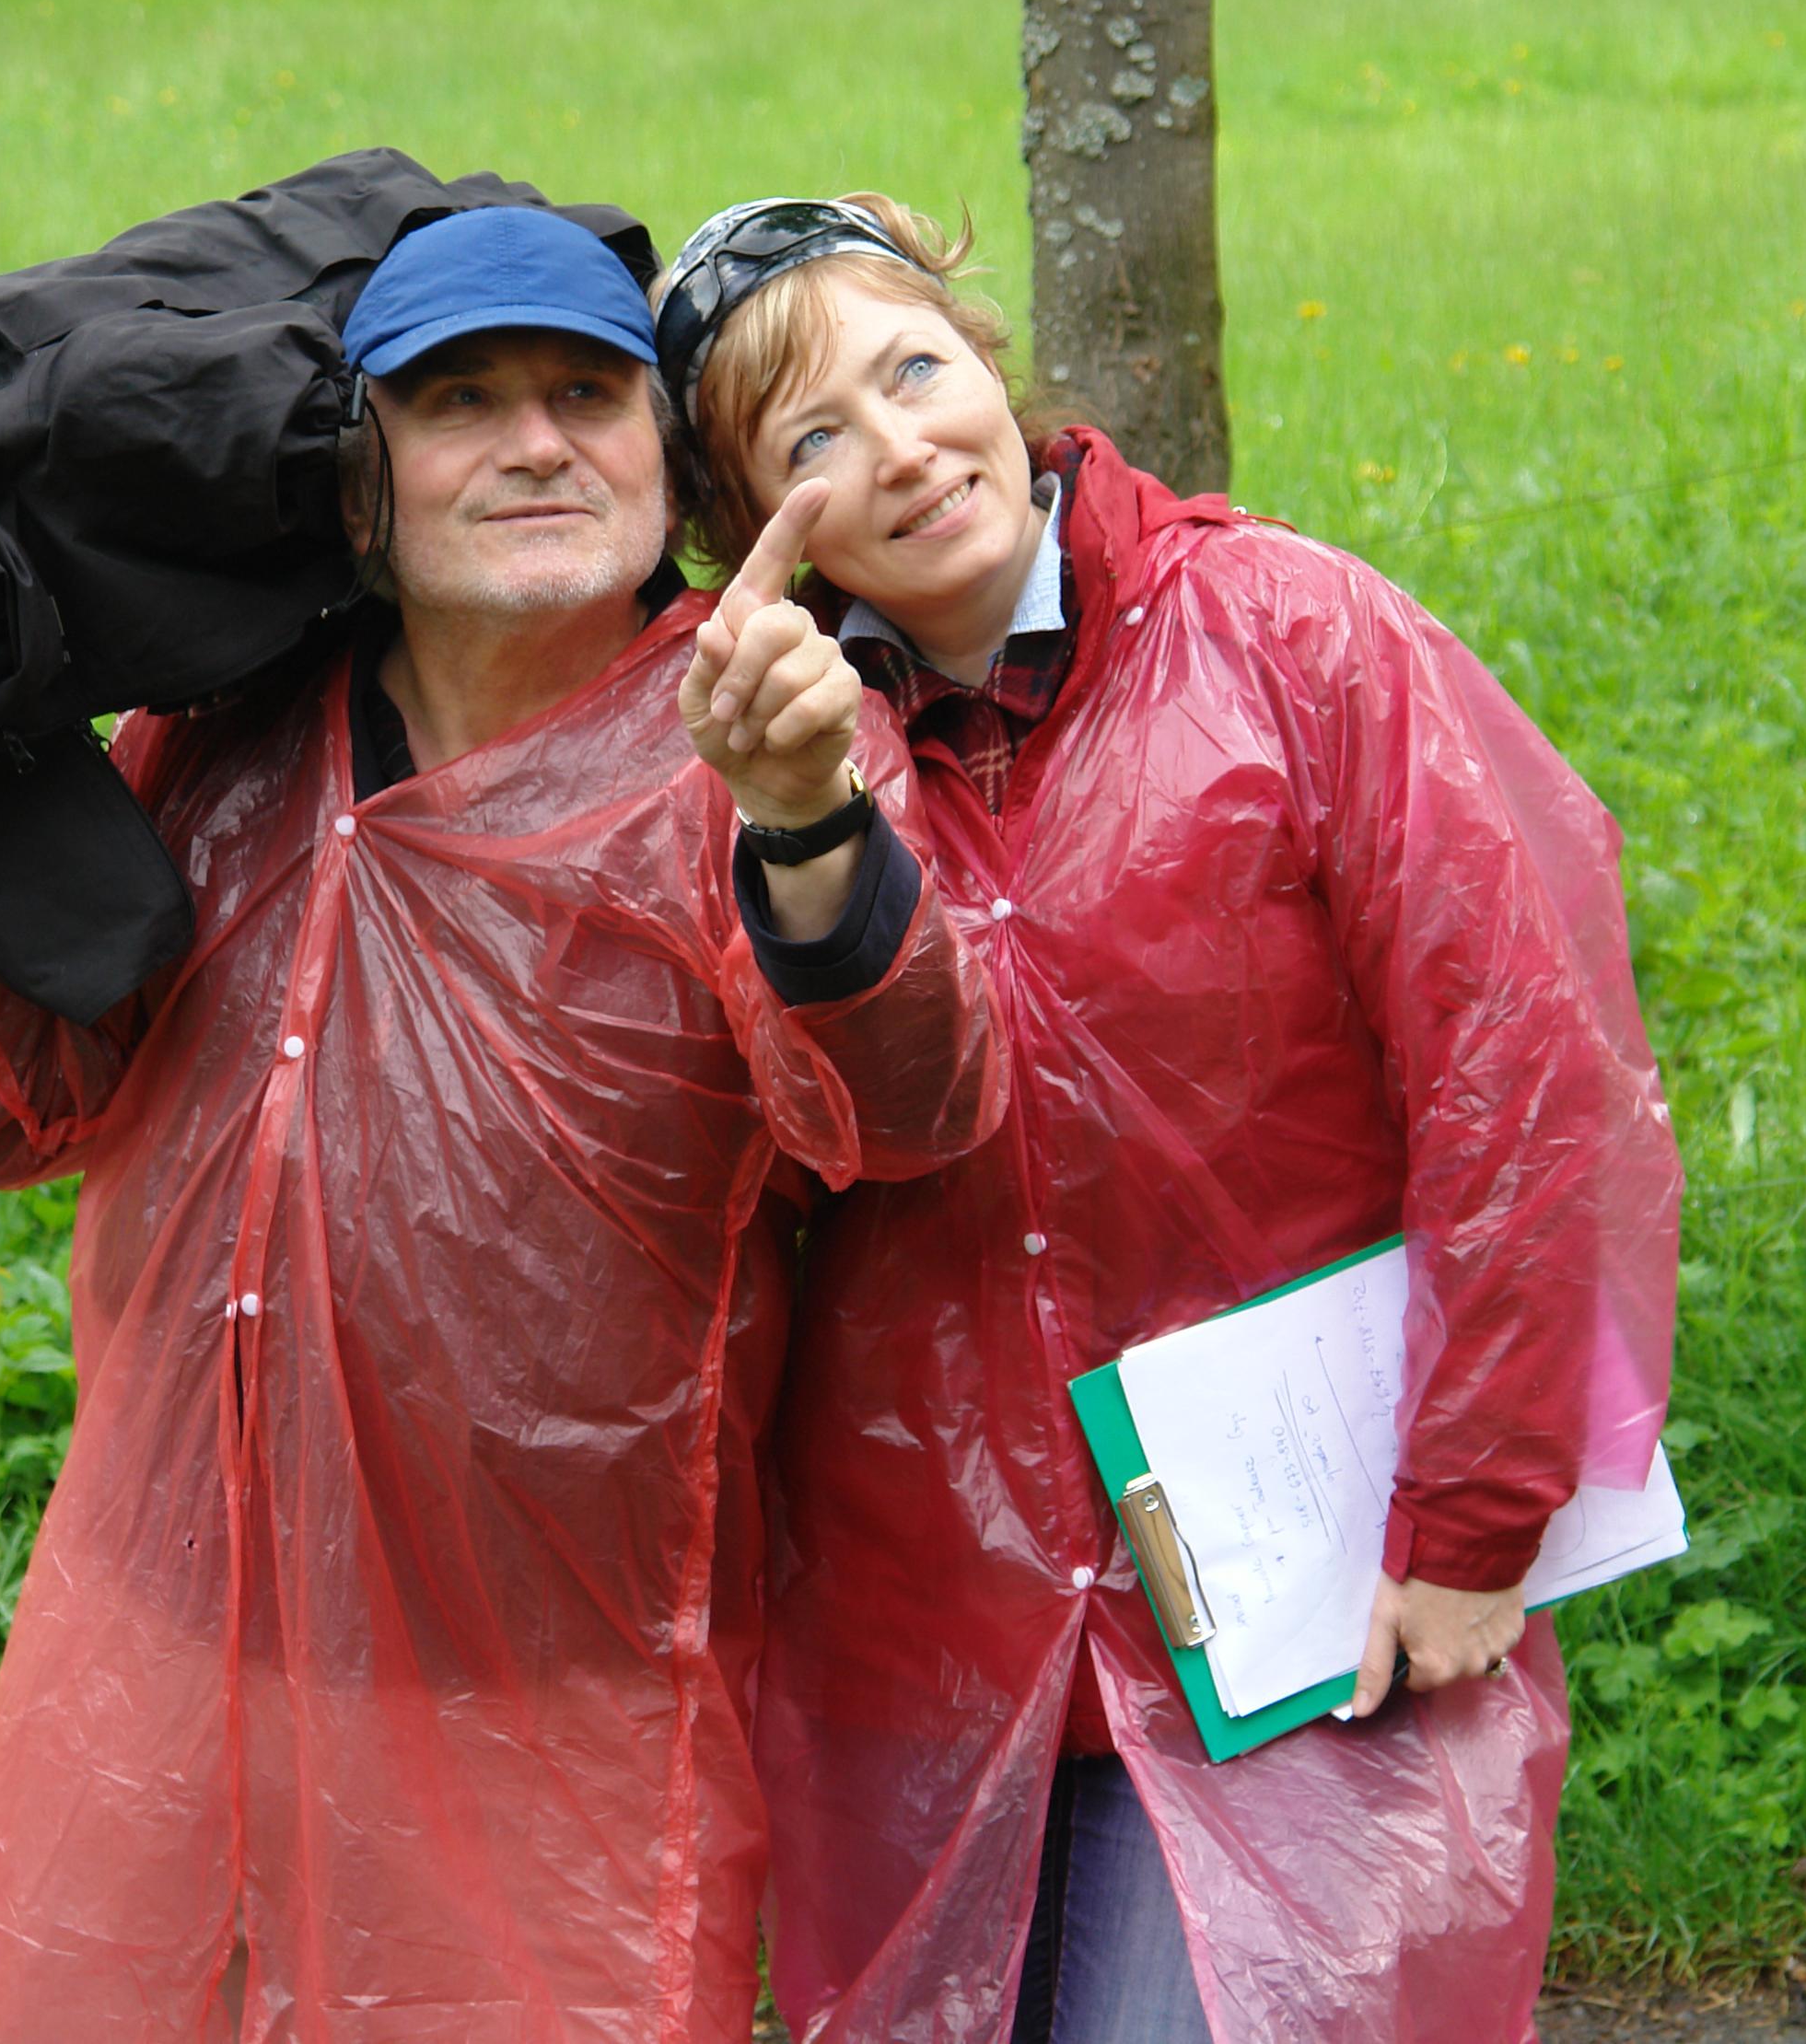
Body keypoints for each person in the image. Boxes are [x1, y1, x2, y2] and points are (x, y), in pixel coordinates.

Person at [0, 202, 1005, 2044]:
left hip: (544, 1703)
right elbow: (12, 1108)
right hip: (165, 1654)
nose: (537, 440)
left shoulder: (750, 721)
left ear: (665, 458)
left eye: (587, 394)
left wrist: (805, 818)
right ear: (362, 484)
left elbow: (902, 1108)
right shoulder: (225, 737)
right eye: (461, 400)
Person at [656, 197, 1683, 2044]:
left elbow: (1518, 1068)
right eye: (812, 437)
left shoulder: (1293, 634)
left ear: (992, 365)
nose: (900, 447)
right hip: (927, 1626)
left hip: (1303, 1588)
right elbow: (834, 1124)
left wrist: (1476, 1508)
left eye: (916, 368)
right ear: (753, 530)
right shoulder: (769, 766)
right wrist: (802, 822)